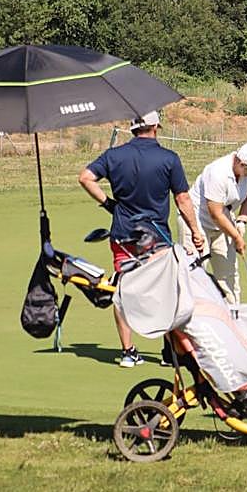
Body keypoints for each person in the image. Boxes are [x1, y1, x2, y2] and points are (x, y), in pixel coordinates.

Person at [78, 111, 204, 367]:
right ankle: (170, 353)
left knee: (123, 290)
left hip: (123, 235)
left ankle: (128, 352)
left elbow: (85, 178)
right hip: (156, 236)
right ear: (155, 127)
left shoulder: (113, 155)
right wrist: (195, 231)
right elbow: (182, 199)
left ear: (133, 128)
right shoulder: (169, 158)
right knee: (165, 291)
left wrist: (109, 204)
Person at [180, 142, 247, 305]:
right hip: (197, 221)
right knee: (195, 273)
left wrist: (241, 221)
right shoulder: (218, 172)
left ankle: (233, 314)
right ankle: (193, 316)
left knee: (228, 274)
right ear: (241, 163)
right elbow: (216, 213)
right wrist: (237, 237)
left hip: (224, 220)